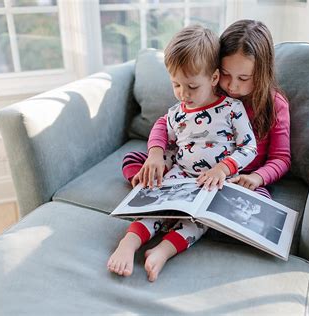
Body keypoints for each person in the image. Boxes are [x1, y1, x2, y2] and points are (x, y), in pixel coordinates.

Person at [107, 24, 258, 282]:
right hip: (181, 174)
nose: (183, 94)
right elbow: (162, 134)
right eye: (176, 84)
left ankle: (162, 252)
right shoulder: (177, 112)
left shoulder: (232, 109)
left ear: (212, 78)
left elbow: (249, 147)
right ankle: (128, 243)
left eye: (191, 86)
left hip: (215, 182)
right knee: (156, 210)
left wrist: (223, 168)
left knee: (198, 223)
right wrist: (155, 155)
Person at [123, 19, 290, 199]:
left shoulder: (275, 104)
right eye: (226, 74)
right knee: (132, 160)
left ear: (262, 73)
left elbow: (281, 158)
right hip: (191, 169)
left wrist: (257, 177)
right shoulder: (211, 90)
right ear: (216, 72)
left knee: (260, 200)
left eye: (243, 78)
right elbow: (166, 122)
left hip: (240, 176)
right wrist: (155, 153)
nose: (232, 86)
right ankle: (150, 187)